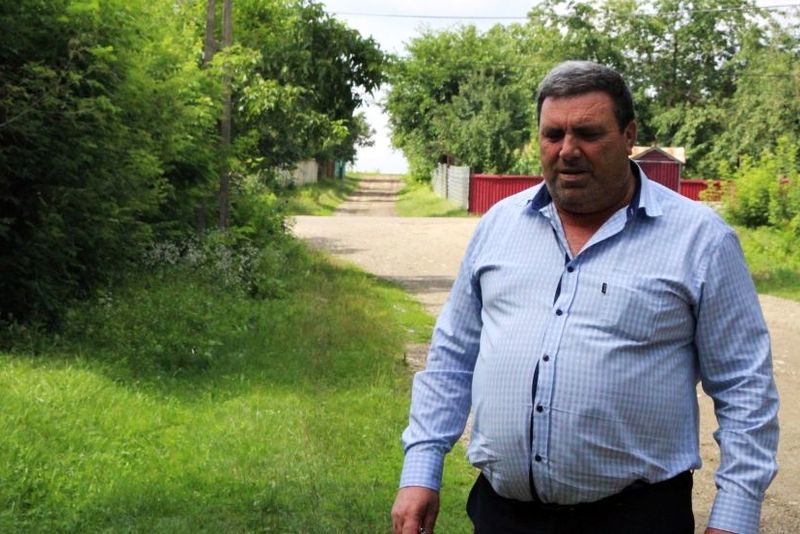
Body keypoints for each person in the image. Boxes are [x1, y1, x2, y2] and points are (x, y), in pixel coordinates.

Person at [391, 61, 779, 534]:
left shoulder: (701, 240)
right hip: (502, 515)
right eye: (553, 134)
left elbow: (744, 388)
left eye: (589, 134)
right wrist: (422, 467)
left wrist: (736, 515)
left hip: (636, 519)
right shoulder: (499, 226)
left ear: (629, 135)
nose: (568, 150)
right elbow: (453, 355)